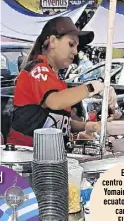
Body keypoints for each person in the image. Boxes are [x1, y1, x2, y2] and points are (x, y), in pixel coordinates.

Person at [7, 16, 116, 147]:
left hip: (49, 154)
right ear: (52, 41)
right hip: (25, 155)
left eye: (77, 46)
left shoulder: (57, 81)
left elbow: (58, 121)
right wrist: (92, 87)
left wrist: (87, 126)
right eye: (71, 44)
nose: (75, 52)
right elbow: (55, 102)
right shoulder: (38, 69)